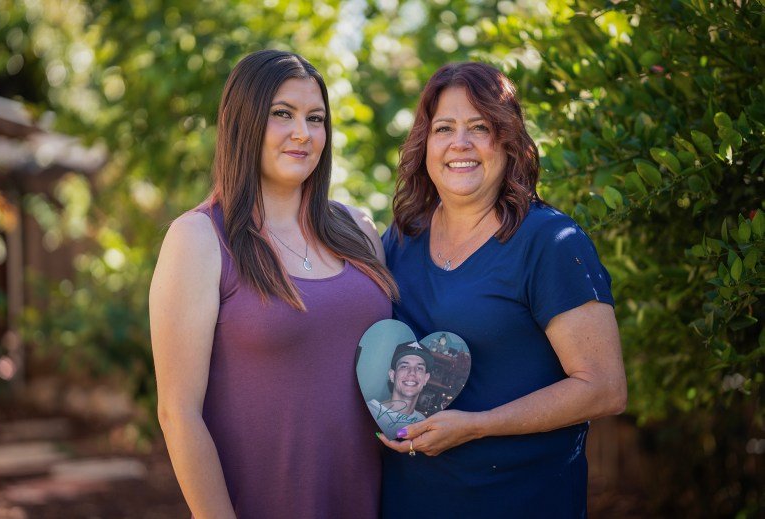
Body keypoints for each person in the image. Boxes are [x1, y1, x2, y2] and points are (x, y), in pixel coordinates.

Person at [149, 50, 398, 519]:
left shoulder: (358, 230)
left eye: (316, 118)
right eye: (282, 114)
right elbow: (178, 416)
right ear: (243, 123)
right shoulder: (199, 239)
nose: (303, 133)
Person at [377, 62, 627, 517]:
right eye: (444, 128)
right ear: (425, 143)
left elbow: (604, 388)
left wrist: (477, 427)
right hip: (409, 501)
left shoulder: (549, 242)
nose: (460, 143)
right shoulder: (401, 237)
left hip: (519, 500)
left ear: (508, 140)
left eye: (480, 127)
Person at [367, 341, 434, 439]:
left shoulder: (422, 422)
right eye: (404, 366)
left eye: (419, 368)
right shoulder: (368, 412)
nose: (412, 373)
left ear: (426, 379)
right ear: (392, 375)